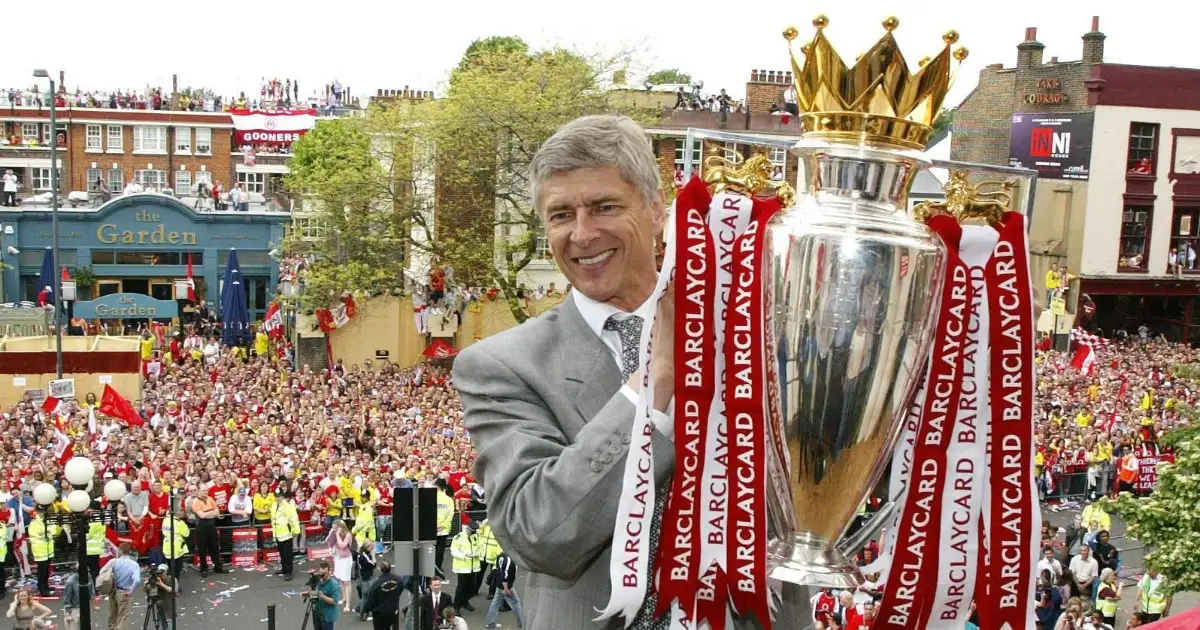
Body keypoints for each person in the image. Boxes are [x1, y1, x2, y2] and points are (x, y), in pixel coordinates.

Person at [455, 115, 733, 629]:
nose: (582, 234)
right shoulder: (500, 365)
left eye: (605, 207)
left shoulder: (740, 332)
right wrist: (655, 379)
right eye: (562, 214)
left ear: (656, 210)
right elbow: (537, 531)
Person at [189, 486, 225, 577]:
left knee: (215, 548)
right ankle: (203, 569)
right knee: (202, 550)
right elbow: (201, 516)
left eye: (206, 490)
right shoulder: (195, 502)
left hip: (212, 526)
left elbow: (217, 511)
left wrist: (208, 513)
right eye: (203, 490)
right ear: (199, 491)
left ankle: (218, 567)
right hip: (201, 528)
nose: (205, 492)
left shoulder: (210, 498)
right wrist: (211, 513)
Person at [483, 551, 524, 629]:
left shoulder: (502, 555)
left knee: (496, 602)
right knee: (515, 603)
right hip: (505, 585)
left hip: (499, 583)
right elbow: (505, 574)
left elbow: (500, 569)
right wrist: (506, 588)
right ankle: (521, 622)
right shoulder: (509, 559)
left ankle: (490, 622)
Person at [108, 544, 142, 630]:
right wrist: (130, 591)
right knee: (123, 615)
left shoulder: (113, 562)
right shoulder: (134, 565)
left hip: (113, 590)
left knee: (113, 614)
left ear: (120, 551)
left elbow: (103, 572)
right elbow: (137, 580)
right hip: (124, 592)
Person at [361, 560, 402, 630]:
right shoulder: (398, 579)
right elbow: (400, 589)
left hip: (380, 614)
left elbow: (371, 599)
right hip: (393, 611)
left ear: (381, 570)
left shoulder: (376, 584)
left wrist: (366, 610)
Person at [301, 561, 342, 630]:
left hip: (327, 616)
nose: (321, 576)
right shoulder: (319, 581)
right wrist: (308, 594)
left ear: (329, 572)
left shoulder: (333, 584)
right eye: (320, 573)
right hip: (317, 613)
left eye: (323, 574)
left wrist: (323, 597)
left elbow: (335, 601)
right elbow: (317, 594)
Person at [449, 523, 479, 612]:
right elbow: (453, 551)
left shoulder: (475, 537)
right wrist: (465, 555)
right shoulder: (458, 537)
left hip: (473, 567)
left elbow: (480, 547)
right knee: (461, 587)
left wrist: (476, 554)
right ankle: (456, 606)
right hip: (462, 567)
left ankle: (464, 602)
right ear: (467, 529)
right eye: (472, 531)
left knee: (472, 588)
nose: (473, 533)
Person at [326, 520, 354, 613]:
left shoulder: (348, 534)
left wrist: (337, 535)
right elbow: (329, 542)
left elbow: (342, 545)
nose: (335, 530)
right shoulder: (334, 533)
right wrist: (331, 534)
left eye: (336, 528)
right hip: (338, 558)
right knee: (341, 580)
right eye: (333, 528)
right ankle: (344, 598)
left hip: (346, 559)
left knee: (346, 581)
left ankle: (348, 605)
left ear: (341, 527)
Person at [272, 490, 301, 581]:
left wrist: (296, 531)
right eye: (276, 496)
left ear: (283, 497)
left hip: (287, 533)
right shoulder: (274, 505)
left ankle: (289, 572)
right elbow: (273, 520)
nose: (277, 498)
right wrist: (274, 534)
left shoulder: (288, 506)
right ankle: (284, 569)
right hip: (278, 533)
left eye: (279, 496)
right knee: (282, 554)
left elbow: (293, 518)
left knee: (287, 554)